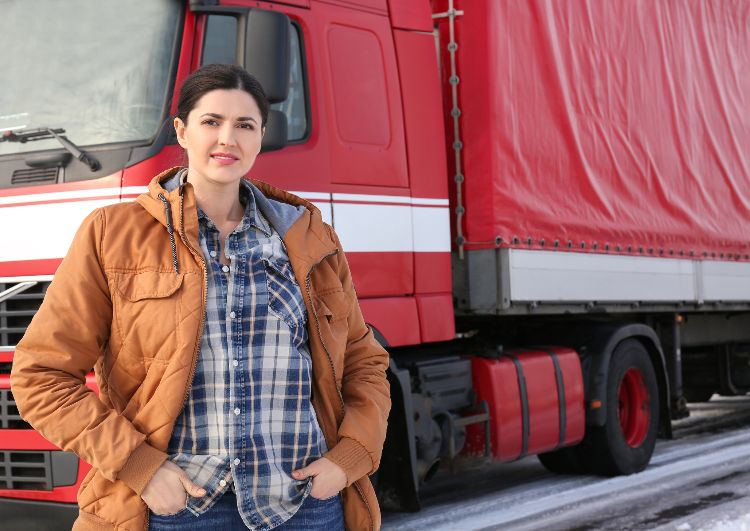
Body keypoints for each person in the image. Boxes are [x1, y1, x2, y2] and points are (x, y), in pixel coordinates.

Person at [11, 63, 391, 531]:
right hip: (176, 512)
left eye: (244, 125)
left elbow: (363, 362)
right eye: (211, 121)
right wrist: (138, 467)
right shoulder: (113, 234)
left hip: (304, 506)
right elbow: (42, 375)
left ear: (261, 137)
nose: (227, 139)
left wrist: (349, 458)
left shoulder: (309, 236)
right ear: (182, 132)